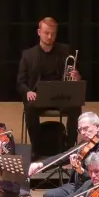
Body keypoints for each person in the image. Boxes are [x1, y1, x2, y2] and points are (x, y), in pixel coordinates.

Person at [16, 17, 82, 148]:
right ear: (39, 32)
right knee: (29, 109)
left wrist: (76, 77)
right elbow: (20, 82)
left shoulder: (65, 51)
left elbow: (76, 77)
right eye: (46, 33)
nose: (50, 36)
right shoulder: (28, 55)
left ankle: (69, 146)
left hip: (61, 97)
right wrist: (28, 91)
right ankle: (37, 146)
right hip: (39, 97)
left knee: (76, 107)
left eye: (53, 33)